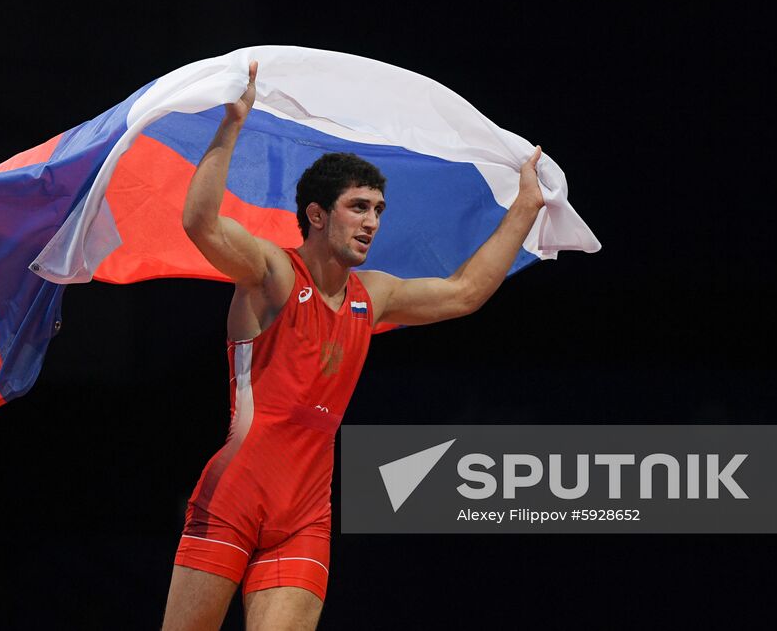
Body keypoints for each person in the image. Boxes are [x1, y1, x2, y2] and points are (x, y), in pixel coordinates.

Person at [160, 61, 545, 631]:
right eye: (358, 208)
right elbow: (200, 224)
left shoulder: (376, 295)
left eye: (378, 211)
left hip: (305, 517)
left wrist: (524, 210)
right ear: (317, 215)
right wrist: (231, 126)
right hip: (232, 501)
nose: (372, 223)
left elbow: (463, 293)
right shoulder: (272, 274)